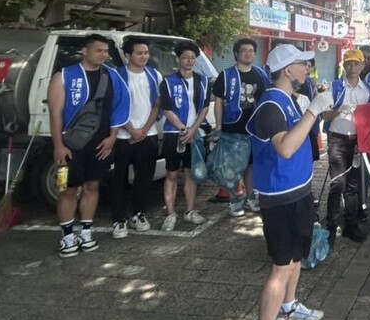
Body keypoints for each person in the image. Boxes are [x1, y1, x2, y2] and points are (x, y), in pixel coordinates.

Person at [245, 44, 333, 320]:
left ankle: (289, 307)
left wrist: (316, 109)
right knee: (280, 267)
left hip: (297, 191)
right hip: (279, 197)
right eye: (302, 65)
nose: (307, 70)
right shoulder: (271, 105)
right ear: (287, 70)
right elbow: (285, 148)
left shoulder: (290, 100)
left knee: (296, 257)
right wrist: (313, 111)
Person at [48, 34, 129, 257]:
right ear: (85, 50)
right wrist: (58, 145)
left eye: (106, 51)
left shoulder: (112, 76)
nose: (103, 55)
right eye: (98, 50)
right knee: (67, 189)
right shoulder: (64, 76)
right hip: (70, 144)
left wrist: (112, 137)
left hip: (100, 143)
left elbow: (120, 108)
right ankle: (66, 236)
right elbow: (55, 113)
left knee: (92, 186)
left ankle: (86, 231)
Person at [319, 49, 370, 245]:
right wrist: (339, 110)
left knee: (353, 186)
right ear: (344, 65)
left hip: (358, 142)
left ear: (362, 66)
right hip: (337, 140)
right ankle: (330, 227)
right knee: (337, 184)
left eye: (356, 64)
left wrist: (364, 142)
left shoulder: (367, 91)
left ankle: (350, 225)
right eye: (349, 63)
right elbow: (324, 116)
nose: (352, 67)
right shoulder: (334, 87)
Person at [213, 38, 270, 217]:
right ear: (236, 54)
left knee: (251, 165)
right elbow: (218, 102)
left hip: (253, 128)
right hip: (232, 127)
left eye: (251, 51)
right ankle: (234, 200)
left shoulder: (260, 74)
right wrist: (219, 124)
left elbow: (265, 100)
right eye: (244, 50)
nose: (248, 53)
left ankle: (251, 197)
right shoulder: (226, 75)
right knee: (232, 167)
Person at [112, 37, 162, 238]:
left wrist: (143, 130)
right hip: (122, 136)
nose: (144, 57)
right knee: (119, 180)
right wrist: (131, 130)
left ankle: (139, 214)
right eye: (139, 53)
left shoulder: (154, 74)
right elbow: (113, 107)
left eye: (146, 53)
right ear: (127, 55)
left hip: (148, 134)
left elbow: (157, 104)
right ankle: (118, 219)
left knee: (144, 178)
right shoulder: (118, 75)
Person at [159, 41, 211, 231]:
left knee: (191, 173)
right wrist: (183, 129)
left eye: (192, 58)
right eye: (185, 57)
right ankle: (170, 213)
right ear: (178, 59)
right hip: (174, 133)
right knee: (172, 173)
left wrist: (193, 129)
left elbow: (205, 107)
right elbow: (166, 109)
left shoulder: (203, 81)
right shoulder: (168, 81)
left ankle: (190, 211)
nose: (189, 61)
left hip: (195, 133)